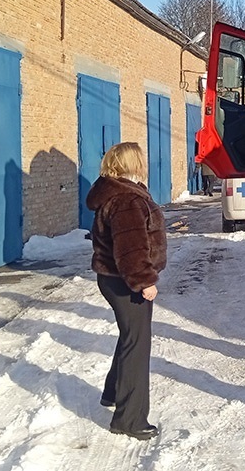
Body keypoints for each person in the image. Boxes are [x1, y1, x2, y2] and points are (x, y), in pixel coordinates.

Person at [86, 142, 167, 441]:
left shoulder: (116, 191)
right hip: (125, 280)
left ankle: (113, 392)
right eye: (140, 159)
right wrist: (144, 281)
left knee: (130, 336)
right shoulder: (126, 199)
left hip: (113, 278)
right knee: (137, 343)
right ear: (133, 163)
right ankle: (130, 420)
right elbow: (130, 250)